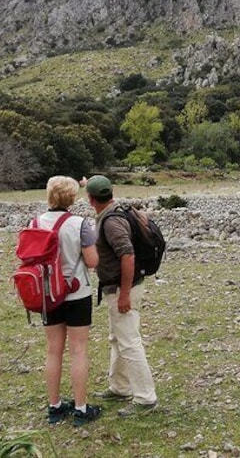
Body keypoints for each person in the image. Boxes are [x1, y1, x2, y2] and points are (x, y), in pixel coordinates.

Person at [85, 174, 158, 417]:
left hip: (121, 289)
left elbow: (127, 255)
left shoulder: (110, 222)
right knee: (117, 339)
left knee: (129, 342)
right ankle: (120, 386)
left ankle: (145, 398)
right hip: (120, 287)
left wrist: (124, 294)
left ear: (91, 199)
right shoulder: (117, 208)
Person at [37, 176, 102, 426]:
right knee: (78, 350)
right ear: (72, 198)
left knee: (53, 350)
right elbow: (93, 261)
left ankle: (54, 406)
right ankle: (81, 408)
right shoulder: (80, 224)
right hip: (76, 293)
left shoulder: (36, 222)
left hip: (47, 294)